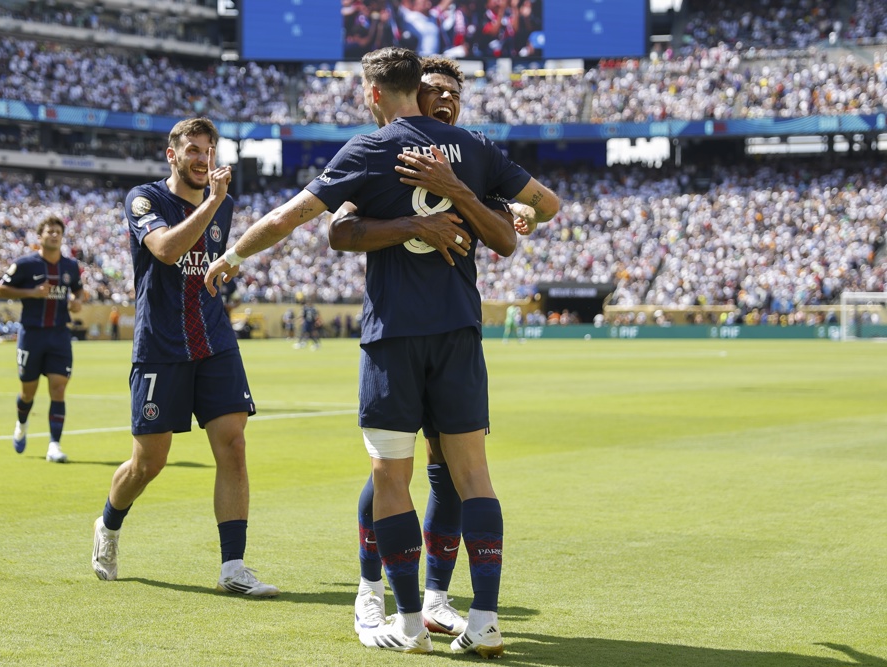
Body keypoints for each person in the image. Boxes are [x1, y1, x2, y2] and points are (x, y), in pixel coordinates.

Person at [204, 47, 559, 656]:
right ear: (417, 91)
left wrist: (233, 256)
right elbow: (546, 204)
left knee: (391, 474)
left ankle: (412, 621)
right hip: (457, 332)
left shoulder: (371, 150)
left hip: (394, 335)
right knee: (472, 472)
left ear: (373, 94)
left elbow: (294, 217)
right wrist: (500, 212)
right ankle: (484, 618)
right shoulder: (474, 149)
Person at [330, 53, 558, 643]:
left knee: (445, 476)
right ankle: (370, 590)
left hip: (450, 331)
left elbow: (538, 210)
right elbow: (338, 226)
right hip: (409, 331)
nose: (444, 100)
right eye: (433, 90)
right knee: (390, 474)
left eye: (453, 93)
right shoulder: (384, 150)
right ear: (412, 92)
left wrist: (510, 209)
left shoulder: (473, 153)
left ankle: (434, 603)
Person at [90, 118, 277, 598]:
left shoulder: (225, 205)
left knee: (233, 445)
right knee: (149, 462)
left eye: (208, 150)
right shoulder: (144, 200)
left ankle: (232, 567)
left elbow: (205, 263)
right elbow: (168, 250)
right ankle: (109, 525)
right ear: (171, 154)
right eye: (193, 149)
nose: (202, 158)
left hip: (214, 342)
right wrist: (212, 203)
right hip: (161, 348)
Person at [0, 215, 86, 463]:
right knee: (28, 392)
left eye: (58, 231)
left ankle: (54, 445)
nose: (54, 235)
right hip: (32, 334)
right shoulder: (26, 264)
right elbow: (1, 289)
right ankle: (22, 424)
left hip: (59, 335)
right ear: (40, 236)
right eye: (49, 231)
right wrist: (32, 293)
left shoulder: (69, 266)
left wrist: (78, 300)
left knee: (58, 389)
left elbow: (78, 289)